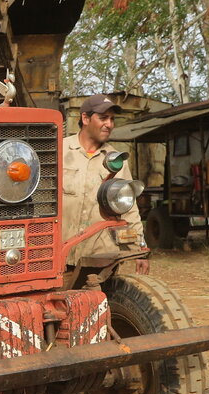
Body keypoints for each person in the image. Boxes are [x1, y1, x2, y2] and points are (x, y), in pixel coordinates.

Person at [61, 94, 148, 274]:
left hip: (101, 257)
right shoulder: (59, 151)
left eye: (112, 119)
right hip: (60, 253)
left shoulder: (117, 160)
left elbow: (128, 208)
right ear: (85, 118)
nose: (109, 124)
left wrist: (141, 247)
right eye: (103, 118)